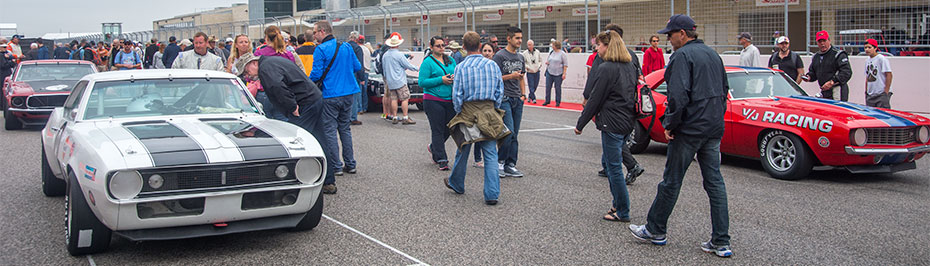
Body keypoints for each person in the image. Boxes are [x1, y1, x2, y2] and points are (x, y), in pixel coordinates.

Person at [629, 14, 732, 258]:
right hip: (713, 127)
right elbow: (725, 89)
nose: (668, 40)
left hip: (689, 129)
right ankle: (721, 241)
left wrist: (670, 124)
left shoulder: (681, 56)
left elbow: (678, 96)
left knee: (671, 181)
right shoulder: (712, 54)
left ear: (683, 34)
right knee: (715, 183)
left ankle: (655, 229)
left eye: (671, 35)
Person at [239, 55, 332, 196]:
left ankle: (298, 179)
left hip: (304, 103)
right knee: (320, 139)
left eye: (246, 72)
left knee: (296, 142)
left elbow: (277, 86)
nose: (248, 76)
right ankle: (328, 180)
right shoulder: (272, 61)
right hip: (312, 98)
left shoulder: (266, 68)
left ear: (253, 63)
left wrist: (292, 105)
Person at [575, 29, 638, 223]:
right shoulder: (629, 65)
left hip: (611, 121)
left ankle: (622, 209)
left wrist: (580, 124)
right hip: (627, 119)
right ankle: (617, 204)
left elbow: (595, 99)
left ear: (607, 46)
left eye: (599, 45)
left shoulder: (606, 68)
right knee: (615, 164)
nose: (597, 48)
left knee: (613, 168)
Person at [443, 31, 506, 206]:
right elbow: (499, 91)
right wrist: (493, 108)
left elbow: (457, 95)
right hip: (489, 110)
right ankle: (492, 193)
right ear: (480, 46)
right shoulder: (492, 65)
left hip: (468, 111)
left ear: (463, 47)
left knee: (463, 148)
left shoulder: (460, 67)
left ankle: (457, 183)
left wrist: (460, 111)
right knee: (491, 153)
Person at [584, 23, 645, 185]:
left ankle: (630, 167)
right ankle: (607, 165)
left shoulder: (605, 58)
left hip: (612, 110)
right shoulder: (631, 55)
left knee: (612, 136)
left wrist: (586, 97)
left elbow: (594, 79)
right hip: (628, 107)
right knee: (614, 137)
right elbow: (639, 77)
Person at [309, 20, 362, 183]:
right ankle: (351, 163)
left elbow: (316, 74)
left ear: (322, 32)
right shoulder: (346, 46)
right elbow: (357, 66)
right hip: (349, 92)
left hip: (330, 93)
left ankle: (336, 166)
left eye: (315, 32)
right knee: (345, 128)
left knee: (330, 130)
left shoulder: (320, 49)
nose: (314, 35)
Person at [493, 26, 526, 178]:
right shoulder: (500, 56)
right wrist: (510, 76)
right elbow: (495, 77)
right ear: (509, 38)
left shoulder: (520, 57)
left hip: (517, 99)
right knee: (508, 131)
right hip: (504, 97)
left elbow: (522, 77)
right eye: (517, 38)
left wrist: (523, 94)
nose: (520, 41)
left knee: (515, 134)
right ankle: (500, 162)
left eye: (521, 38)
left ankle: (511, 164)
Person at [420, 36, 457, 171]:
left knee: (450, 128)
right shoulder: (427, 62)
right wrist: (440, 79)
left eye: (443, 45)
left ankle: (434, 147)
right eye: (438, 46)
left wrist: (454, 78)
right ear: (431, 47)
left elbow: (457, 72)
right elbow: (422, 82)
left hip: (450, 99)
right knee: (437, 129)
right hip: (433, 99)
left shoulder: (451, 60)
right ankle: (442, 159)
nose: (441, 48)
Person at [381, 32, 419, 125]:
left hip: (390, 81)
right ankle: (405, 117)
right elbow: (407, 65)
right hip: (400, 80)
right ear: (397, 44)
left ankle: (394, 116)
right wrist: (418, 68)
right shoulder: (399, 54)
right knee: (405, 98)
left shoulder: (385, 55)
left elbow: (384, 68)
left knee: (394, 99)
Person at [803, 31, 852, 101]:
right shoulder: (816, 57)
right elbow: (813, 72)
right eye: (820, 41)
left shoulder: (838, 54)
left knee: (837, 110)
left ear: (829, 40)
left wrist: (832, 82)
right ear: (817, 43)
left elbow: (846, 72)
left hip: (837, 89)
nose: (822, 44)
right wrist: (808, 77)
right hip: (824, 91)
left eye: (824, 41)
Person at [863, 39, 893, 108]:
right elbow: (867, 76)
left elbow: (889, 74)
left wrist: (886, 91)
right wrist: (866, 91)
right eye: (865, 48)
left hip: (881, 93)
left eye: (869, 47)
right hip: (871, 93)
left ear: (875, 48)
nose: (867, 50)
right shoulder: (867, 60)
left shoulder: (881, 59)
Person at [347, 31, 366, 126]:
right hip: (354, 73)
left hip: (344, 73)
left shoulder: (344, 46)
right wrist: (362, 78)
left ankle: (345, 116)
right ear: (357, 39)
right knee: (354, 96)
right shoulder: (357, 48)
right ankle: (353, 117)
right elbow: (359, 64)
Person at [544, 40, 568, 107]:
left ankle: (558, 101)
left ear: (556, 46)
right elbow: (549, 60)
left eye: (553, 45)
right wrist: (547, 63)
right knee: (548, 87)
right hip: (550, 71)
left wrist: (564, 73)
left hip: (558, 73)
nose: (552, 46)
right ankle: (547, 100)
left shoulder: (562, 54)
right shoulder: (552, 52)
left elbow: (565, 64)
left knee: (557, 88)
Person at [354, 34, 372, 121]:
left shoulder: (358, 49)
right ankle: (365, 107)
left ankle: (359, 108)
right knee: (364, 90)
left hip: (361, 70)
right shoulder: (367, 49)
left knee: (359, 90)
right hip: (367, 71)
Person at [522, 40, 543, 104]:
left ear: (533, 45)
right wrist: (528, 67)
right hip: (530, 72)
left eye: (530, 44)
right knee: (531, 86)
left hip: (537, 71)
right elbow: (523, 62)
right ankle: (533, 98)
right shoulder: (525, 53)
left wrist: (539, 66)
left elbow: (540, 60)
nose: (529, 46)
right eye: (528, 45)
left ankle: (530, 96)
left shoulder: (537, 52)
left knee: (535, 86)